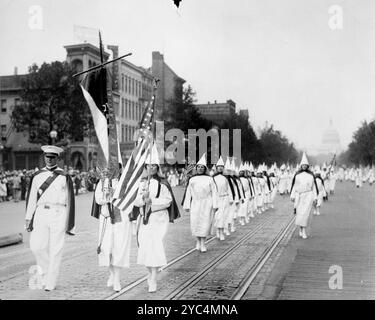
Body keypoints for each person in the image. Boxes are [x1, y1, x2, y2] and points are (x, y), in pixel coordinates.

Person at [25, 145, 75, 291]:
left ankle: (50, 281)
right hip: (41, 212)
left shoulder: (64, 176)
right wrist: (28, 218)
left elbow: (70, 200)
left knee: (56, 249)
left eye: (52, 157)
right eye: (47, 157)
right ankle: (46, 271)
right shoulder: (37, 176)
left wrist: (69, 222)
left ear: (57, 159)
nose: (49, 159)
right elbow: (32, 199)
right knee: (36, 246)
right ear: (44, 157)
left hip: (59, 212)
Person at [133, 144, 179, 292]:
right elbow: (136, 201)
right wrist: (142, 199)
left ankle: (153, 277)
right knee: (145, 246)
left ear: (157, 167)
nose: (151, 168)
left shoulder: (163, 183)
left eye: (154, 165)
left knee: (155, 245)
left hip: (158, 218)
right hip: (144, 219)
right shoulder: (142, 183)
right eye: (149, 165)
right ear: (146, 167)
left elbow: (168, 200)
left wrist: (152, 202)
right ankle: (150, 271)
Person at [91, 167, 132, 292]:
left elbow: (129, 198)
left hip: (120, 218)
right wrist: (108, 197)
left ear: (120, 169)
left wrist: (115, 194)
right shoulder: (102, 182)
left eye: (115, 168)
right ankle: (112, 273)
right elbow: (98, 199)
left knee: (118, 249)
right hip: (106, 219)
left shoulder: (125, 182)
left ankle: (117, 278)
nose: (112, 171)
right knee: (106, 248)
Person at [183, 153, 218, 252]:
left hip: (207, 203)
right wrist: (187, 205)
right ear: (196, 168)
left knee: (205, 223)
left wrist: (215, 205)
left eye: (202, 167)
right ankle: (198, 241)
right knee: (195, 222)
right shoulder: (192, 179)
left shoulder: (210, 179)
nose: (200, 169)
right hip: (196, 203)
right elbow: (188, 193)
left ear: (205, 169)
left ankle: (203, 243)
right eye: (198, 167)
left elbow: (214, 192)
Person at [290, 152, 318, 239]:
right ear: (301, 166)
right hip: (299, 196)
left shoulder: (311, 175)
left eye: (306, 165)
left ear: (307, 166)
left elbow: (314, 187)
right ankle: (301, 229)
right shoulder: (297, 175)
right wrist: (292, 195)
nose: (304, 167)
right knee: (300, 213)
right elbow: (294, 186)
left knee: (306, 214)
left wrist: (315, 198)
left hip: (308, 196)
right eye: (303, 165)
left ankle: (304, 230)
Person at [213, 156, 232, 241]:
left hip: (225, 198)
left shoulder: (225, 178)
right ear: (216, 168)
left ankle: (221, 231)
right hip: (217, 199)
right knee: (218, 216)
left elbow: (229, 189)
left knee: (224, 216)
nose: (220, 168)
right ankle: (219, 231)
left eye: (222, 167)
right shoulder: (213, 178)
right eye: (218, 167)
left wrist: (230, 199)